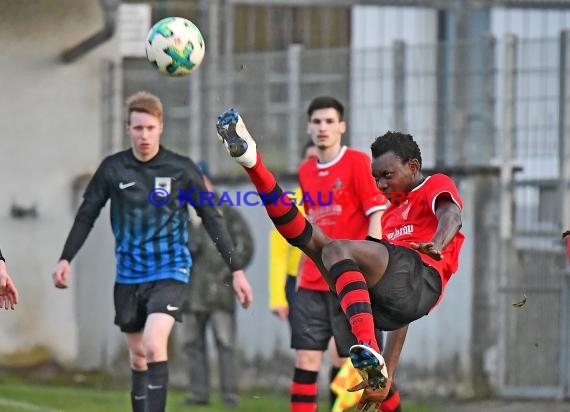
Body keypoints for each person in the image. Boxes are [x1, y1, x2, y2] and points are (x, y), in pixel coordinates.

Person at [215, 108, 464, 411]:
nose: (381, 185)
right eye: (377, 179)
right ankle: (253, 163)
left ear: (413, 166)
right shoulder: (390, 217)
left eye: (387, 175)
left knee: (334, 249)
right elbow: (403, 314)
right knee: (312, 242)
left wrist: (438, 242)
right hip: (393, 301)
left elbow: (451, 214)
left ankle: (367, 347)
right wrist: (388, 368)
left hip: (423, 277)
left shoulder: (432, 184)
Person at [51, 92, 253, 412]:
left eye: (150, 127)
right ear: (128, 128)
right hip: (129, 275)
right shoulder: (113, 169)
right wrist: (65, 258)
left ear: (161, 127)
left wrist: (237, 270)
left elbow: (212, 219)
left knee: (154, 343)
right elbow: (87, 215)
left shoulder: (181, 169)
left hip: (171, 270)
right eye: (138, 128)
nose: (144, 135)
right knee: (138, 356)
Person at [284, 96, 402, 412]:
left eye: (329, 121)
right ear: (309, 127)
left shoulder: (358, 163)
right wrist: (297, 272)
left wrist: (370, 268)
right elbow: (310, 225)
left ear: (342, 126)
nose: (323, 128)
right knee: (306, 358)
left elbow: (377, 214)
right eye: (317, 122)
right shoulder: (306, 170)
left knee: (367, 365)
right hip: (311, 281)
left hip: (348, 282)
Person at [184, 161, 254, 408]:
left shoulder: (226, 212)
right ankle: (198, 394)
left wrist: (229, 273)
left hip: (219, 292)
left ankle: (230, 397)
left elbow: (246, 246)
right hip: (190, 292)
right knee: (191, 345)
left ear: (209, 182)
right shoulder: (183, 212)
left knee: (225, 345)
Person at [268, 140, 316, 325]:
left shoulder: (341, 197)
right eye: (310, 158)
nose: (315, 163)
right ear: (301, 165)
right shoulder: (290, 202)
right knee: (306, 351)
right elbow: (278, 254)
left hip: (334, 279)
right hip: (299, 284)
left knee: (341, 348)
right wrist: (277, 298)